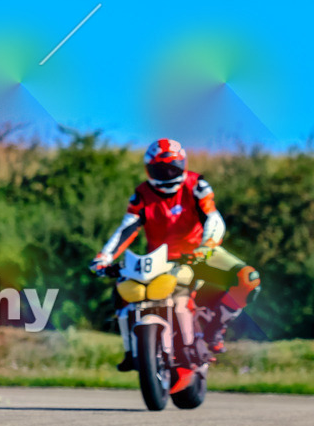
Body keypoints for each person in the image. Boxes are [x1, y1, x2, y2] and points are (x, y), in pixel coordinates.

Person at [90, 138, 260, 368]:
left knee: (248, 279)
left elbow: (213, 218)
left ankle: (214, 330)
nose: (166, 174)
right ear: (149, 169)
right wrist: (104, 257)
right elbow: (127, 228)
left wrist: (207, 245)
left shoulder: (196, 185)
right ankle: (132, 350)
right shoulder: (142, 194)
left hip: (201, 252)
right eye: (159, 169)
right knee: (123, 292)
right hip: (160, 258)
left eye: (171, 168)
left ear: (182, 166)